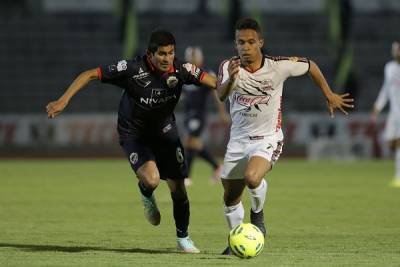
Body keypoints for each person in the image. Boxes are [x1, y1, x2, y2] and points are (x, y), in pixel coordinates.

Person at [46, 29, 218, 253]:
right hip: (134, 134)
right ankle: (146, 193)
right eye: (162, 54)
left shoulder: (182, 69)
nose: (167, 59)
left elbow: (213, 82)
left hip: (165, 131)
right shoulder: (132, 69)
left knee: (178, 190)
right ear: (150, 54)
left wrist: (234, 81)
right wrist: (63, 101)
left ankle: (183, 239)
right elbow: (89, 74)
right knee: (153, 180)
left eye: (171, 53)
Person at [216, 18, 354, 255]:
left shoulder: (278, 66)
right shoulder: (227, 66)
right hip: (237, 141)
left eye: (250, 42)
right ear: (235, 44)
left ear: (260, 42)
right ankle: (236, 240)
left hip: (267, 138)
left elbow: (310, 65)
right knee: (230, 198)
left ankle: (257, 217)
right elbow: (220, 94)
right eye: (241, 42)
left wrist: (329, 94)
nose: (245, 47)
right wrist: (231, 78)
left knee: (252, 177)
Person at [182, 46, 229, 186]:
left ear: (200, 58)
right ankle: (216, 167)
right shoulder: (184, 72)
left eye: (194, 57)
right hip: (188, 113)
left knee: (190, 140)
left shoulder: (206, 73)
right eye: (190, 57)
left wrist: (222, 112)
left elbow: (216, 92)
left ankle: (188, 176)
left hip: (199, 113)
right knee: (191, 142)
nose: (192, 59)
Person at [371, 41, 400, 188]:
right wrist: (378, 106)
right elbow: (386, 88)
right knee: (390, 143)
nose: (396, 52)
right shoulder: (389, 68)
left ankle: (398, 177)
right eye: (395, 49)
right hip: (394, 113)